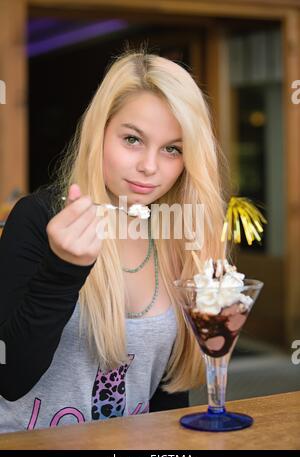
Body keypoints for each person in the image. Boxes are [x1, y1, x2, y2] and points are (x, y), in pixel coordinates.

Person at [0, 48, 226, 433]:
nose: (150, 166)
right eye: (133, 140)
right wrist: (63, 270)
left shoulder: (178, 236)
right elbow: (10, 377)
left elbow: (168, 396)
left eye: (172, 149)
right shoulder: (39, 218)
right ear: (99, 130)